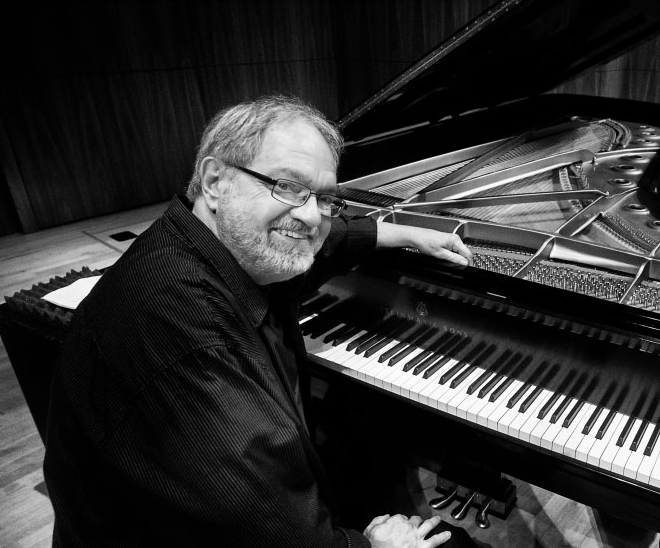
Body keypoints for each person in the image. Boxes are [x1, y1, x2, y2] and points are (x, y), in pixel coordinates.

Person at [43, 95, 474, 548]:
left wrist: (405, 233)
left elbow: (319, 243)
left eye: (325, 198)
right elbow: (270, 530)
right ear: (215, 181)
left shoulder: (209, 246)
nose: (310, 214)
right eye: (287, 186)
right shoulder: (178, 327)